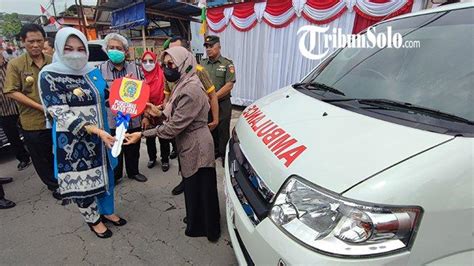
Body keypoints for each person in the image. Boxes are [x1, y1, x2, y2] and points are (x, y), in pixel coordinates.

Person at [125, 47, 221, 242]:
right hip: (190, 142)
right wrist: (158, 111)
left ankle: (208, 227)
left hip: (198, 145)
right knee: (194, 187)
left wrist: (141, 135)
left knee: (202, 187)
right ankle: (197, 220)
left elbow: (172, 128)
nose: (167, 69)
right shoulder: (182, 83)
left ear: (184, 63)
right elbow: (174, 112)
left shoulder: (191, 89)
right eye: (165, 65)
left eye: (171, 64)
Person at [38, 28, 126, 238]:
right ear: (59, 48)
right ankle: (93, 220)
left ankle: (107, 212)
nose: (76, 54)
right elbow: (59, 112)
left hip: (101, 139)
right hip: (74, 142)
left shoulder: (91, 72)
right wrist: (94, 130)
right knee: (84, 185)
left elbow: (107, 96)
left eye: (80, 49)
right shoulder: (50, 74)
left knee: (106, 179)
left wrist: (134, 100)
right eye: (69, 49)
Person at [3, 24, 60, 200]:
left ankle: (65, 181)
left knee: (59, 152)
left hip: (58, 118)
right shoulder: (16, 64)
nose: (35, 45)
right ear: (23, 42)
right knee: (41, 157)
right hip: (33, 122)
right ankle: (54, 186)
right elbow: (11, 91)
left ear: (44, 41)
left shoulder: (53, 61)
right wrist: (40, 107)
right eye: (31, 41)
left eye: (39, 41)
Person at [163, 36, 220, 196]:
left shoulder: (198, 71)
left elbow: (212, 95)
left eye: (177, 51)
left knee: (198, 161)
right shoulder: (171, 69)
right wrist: (163, 112)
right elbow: (168, 95)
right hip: (179, 120)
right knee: (184, 154)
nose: (172, 56)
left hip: (194, 119)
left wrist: (215, 119)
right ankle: (184, 180)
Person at [98, 33, 147, 183]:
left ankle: (133, 172)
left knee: (133, 147)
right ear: (106, 49)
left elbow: (144, 94)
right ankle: (116, 174)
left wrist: (145, 115)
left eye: (118, 48)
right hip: (111, 119)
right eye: (111, 47)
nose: (114, 50)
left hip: (133, 119)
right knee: (114, 149)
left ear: (125, 51)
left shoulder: (137, 69)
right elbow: (100, 94)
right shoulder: (100, 70)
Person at [202, 35, 236, 166]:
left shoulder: (227, 64)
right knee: (210, 127)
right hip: (207, 104)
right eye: (206, 47)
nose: (208, 49)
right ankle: (214, 151)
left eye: (211, 46)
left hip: (222, 103)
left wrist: (213, 97)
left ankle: (224, 154)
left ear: (219, 47)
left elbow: (229, 85)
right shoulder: (203, 63)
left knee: (223, 129)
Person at [0, 45, 31, 171]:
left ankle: (36, 154)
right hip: (3, 110)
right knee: (12, 137)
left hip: (21, 105)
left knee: (29, 132)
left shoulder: (12, 65)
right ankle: (23, 158)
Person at [140, 51, 171, 172]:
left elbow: (168, 93)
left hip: (162, 110)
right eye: (145, 61)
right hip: (147, 113)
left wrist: (161, 107)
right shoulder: (141, 77)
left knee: (163, 136)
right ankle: (152, 158)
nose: (148, 64)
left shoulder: (163, 75)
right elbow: (139, 97)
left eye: (151, 61)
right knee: (149, 138)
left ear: (156, 61)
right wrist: (146, 113)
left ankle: (165, 159)